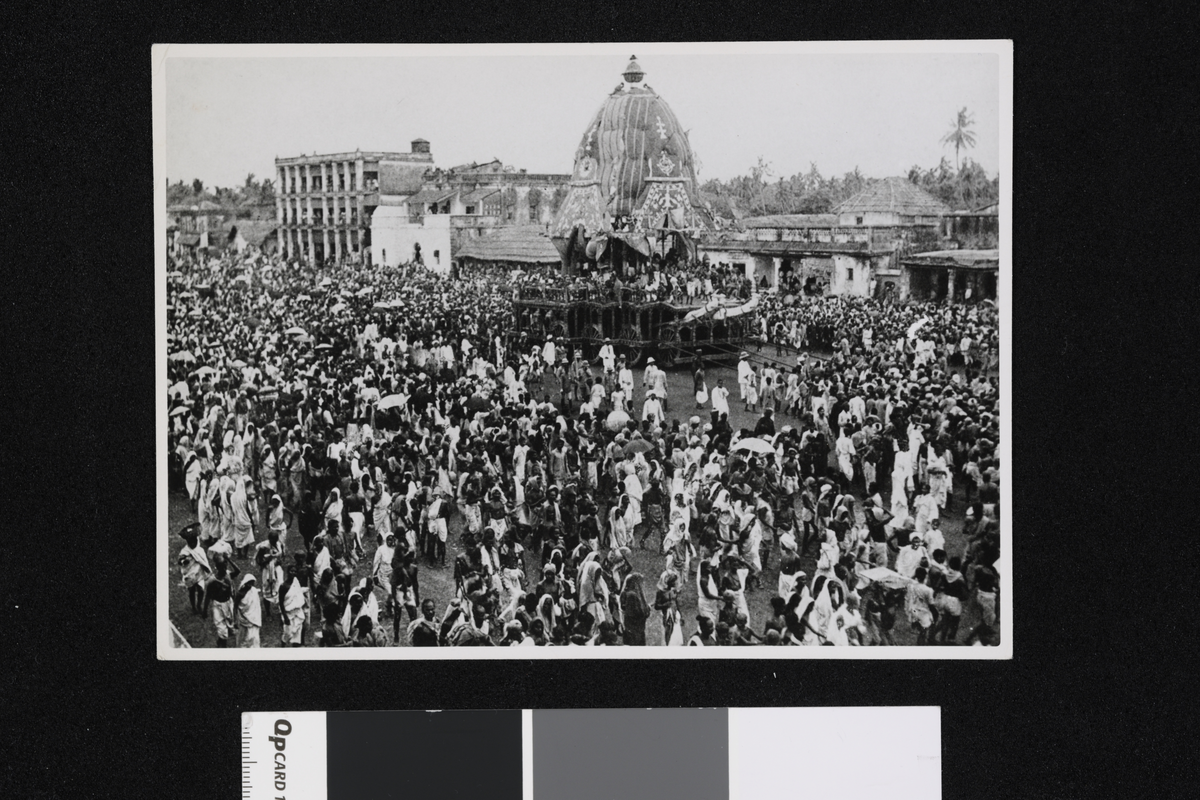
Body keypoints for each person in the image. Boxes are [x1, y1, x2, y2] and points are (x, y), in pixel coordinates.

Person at [619, 573, 650, 646]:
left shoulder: (626, 593)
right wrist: (646, 609)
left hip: (630, 628)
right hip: (635, 630)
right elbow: (636, 613)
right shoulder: (632, 595)